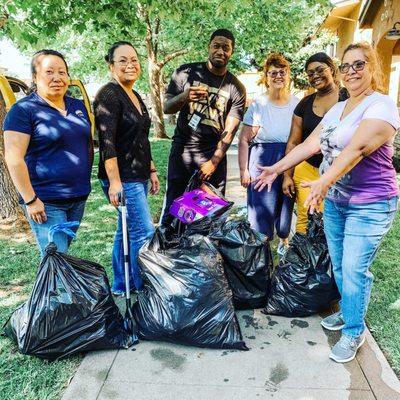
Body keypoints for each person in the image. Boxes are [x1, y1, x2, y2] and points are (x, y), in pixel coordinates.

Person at [254, 42, 399, 363]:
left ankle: (353, 330)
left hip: (371, 203)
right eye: (346, 66)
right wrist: (277, 169)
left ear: (372, 67)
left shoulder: (382, 105)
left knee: (353, 267)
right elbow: (309, 143)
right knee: (341, 264)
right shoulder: (338, 109)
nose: (351, 72)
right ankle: (349, 309)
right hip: (336, 201)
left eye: (358, 65)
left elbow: (359, 148)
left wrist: (324, 180)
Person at [4, 50, 92, 256]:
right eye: (49, 72)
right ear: (35, 77)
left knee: (59, 260)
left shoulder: (77, 106)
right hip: (45, 201)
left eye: (62, 72)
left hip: (78, 197)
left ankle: (49, 289)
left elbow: (86, 144)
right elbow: (13, 158)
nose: (57, 77)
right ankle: (55, 290)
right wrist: (30, 200)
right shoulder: (23, 110)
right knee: (57, 262)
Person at [160, 28, 246, 226]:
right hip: (183, 150)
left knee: (210, 214)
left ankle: (201, 252)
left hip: (212, 154)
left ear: (231, 52)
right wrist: (185, 96)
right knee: (174, 207)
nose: (220, 51)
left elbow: (230, 129)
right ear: (209, 47)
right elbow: (167, 107)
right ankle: (167, 250)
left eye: (226, 48)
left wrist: (214, 162)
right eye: (216, 46)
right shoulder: (185, 72)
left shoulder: (236, 87)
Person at [94, 41, 160, 296]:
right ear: (112, 66)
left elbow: (142, 138)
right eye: (122, 60)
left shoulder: (135, 95)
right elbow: (107, 143)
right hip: (123, 178)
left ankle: (122, 285)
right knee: (143, 232)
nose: (130, 64)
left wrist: (152, 170)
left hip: (139, 175)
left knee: (126, 231)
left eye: (134, 59)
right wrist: (114, 183)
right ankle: (143, 289)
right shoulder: (109, 94)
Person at [238, 53, 299, 254]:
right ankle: (259, 255)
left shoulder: (297, 103)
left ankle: (283, 244)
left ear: (288, 75)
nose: (278, 76)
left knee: (284, 213)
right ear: (266, 76)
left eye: (282, 72)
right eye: (273, 73)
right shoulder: (259, 104)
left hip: (289, 159)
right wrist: (244, 170)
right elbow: (244, 139)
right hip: (263, 161)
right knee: (261, 217)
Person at [283, 52, 348, 234]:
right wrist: (287, 175)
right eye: (310, 73)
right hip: (306, 170)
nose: (315, 76)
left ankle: (329, 259)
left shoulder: (349, 98)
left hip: (339, 173)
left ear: (333, 70)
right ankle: (302, 260)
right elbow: (294, 142)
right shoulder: (304, 104)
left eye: (320, 70)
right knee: (305, 217)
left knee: (333, 220)